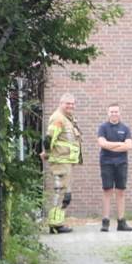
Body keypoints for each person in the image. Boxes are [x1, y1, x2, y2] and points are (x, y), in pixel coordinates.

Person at [40, 93, 83, 234]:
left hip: (66, 161)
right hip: (60, 161)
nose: (70, 106)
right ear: (61, 104)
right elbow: (49, 139)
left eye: (72, 103)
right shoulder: (58, 118)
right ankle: (55, 224)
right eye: (67, 103)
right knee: (61, 192)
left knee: (66, 193)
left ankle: (58, 222)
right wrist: (47, 153)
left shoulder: (67, 118)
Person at [97, 103, 132, 232]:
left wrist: (110, 145)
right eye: (112, 112)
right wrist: (119, 144)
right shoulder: (103, 128)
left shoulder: (125, 128)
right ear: (108, 113)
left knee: (120, 191)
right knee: (107, 190)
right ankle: (105, 221)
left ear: (120, 113)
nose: (114, 114)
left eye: (116, 111)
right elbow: (102, 143)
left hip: (121, 163)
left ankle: (121, 221)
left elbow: (128, 146)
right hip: (106, 162)